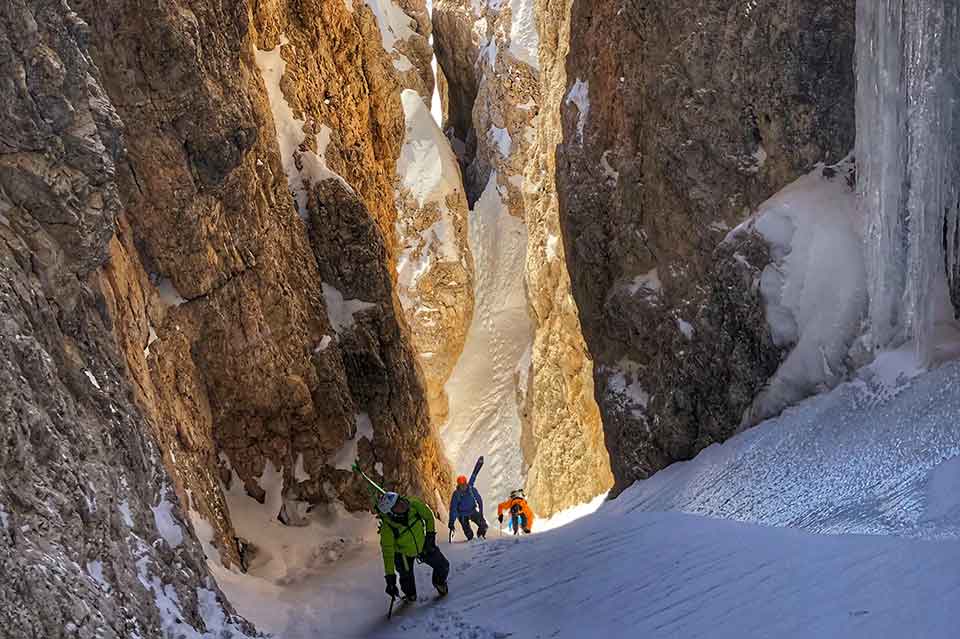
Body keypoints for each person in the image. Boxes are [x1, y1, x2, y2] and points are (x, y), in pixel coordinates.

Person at [378, 491, 449, 602]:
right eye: (397, 505)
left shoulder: (414, 504)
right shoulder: (387, 529)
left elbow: (428, 517)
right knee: (406, 578)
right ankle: (410, 594)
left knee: (443, 565)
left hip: (422, 543)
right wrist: (390, 579)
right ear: (391, 513)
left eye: (400, 499)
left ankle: (439, 582)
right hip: (403, 554)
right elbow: (388, 554)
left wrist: (430, 537)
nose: (402, 504)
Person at [448, 472, 488, 541]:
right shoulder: (456, 494)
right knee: (469, 534)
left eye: (464, 484)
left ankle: (480, 537)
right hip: (462, 515)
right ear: (458, 485)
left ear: (466, 483)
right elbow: (453, 509)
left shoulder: (471, 490)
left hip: (472, 511)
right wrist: (451, 523)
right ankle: (471, 540)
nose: (463, 487)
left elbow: (479, 501)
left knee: (484, 526)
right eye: (461, 485)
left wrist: (481, 514)